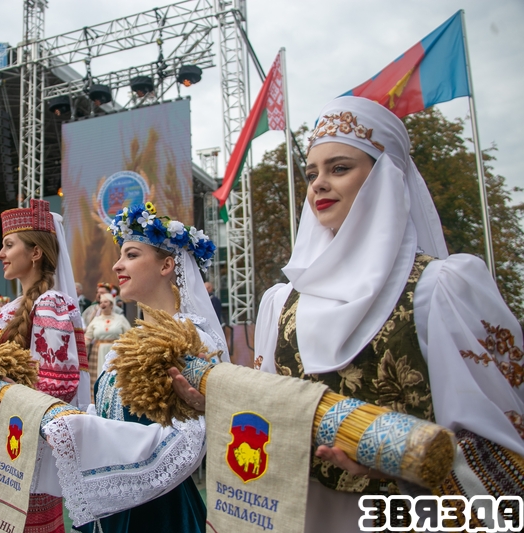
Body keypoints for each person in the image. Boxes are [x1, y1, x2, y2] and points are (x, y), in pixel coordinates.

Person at [167, 97, 524, 531]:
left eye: (339, 168)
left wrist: (398, 461)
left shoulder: (440, 288)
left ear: (385, 180)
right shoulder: (282, 302)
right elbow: (274, 410)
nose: (318, 184)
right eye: (313, 172)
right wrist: (217, 402)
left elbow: (502, 453)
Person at [31, 202, 226, 532]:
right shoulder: (127, 342)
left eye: (132, 254)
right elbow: (112, 414)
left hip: (161, 515)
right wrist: (74, 423)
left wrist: (82, 432)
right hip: (118, 512)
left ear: (167, 265)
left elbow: (185, 448)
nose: (118, 265)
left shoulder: (193, 342)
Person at [0, 199, 88, 533]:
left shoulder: (51, 304)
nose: (0, 253)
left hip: (27, 447)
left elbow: (57, 389)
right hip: (4, 435)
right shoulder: (9, 309)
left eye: (9, 245)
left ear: (36, 252)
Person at [84, 292, 131, 383]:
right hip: (98, 351)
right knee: (99, 376)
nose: (102, 304)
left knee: (115, 376)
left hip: (115, 351)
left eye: (105, 302)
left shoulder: (120, 318)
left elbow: (129, 335)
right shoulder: (96, 320)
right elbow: (88, 337)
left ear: (111, 304)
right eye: (101, 302)